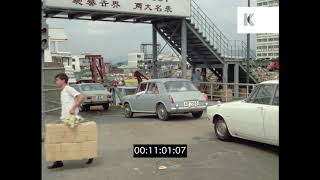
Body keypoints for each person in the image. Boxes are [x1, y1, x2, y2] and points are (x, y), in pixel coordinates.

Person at [48, 73, 91, 169]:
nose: (56, 82)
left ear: (63, 80)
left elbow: (81, 97)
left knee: (63, 138)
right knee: (67, 139)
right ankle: (58, 161)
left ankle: (88, 153)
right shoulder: (63, 91)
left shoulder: (68, 88)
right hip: (65, 119)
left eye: (57, 80)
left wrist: (73, 108)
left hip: (71, 119)